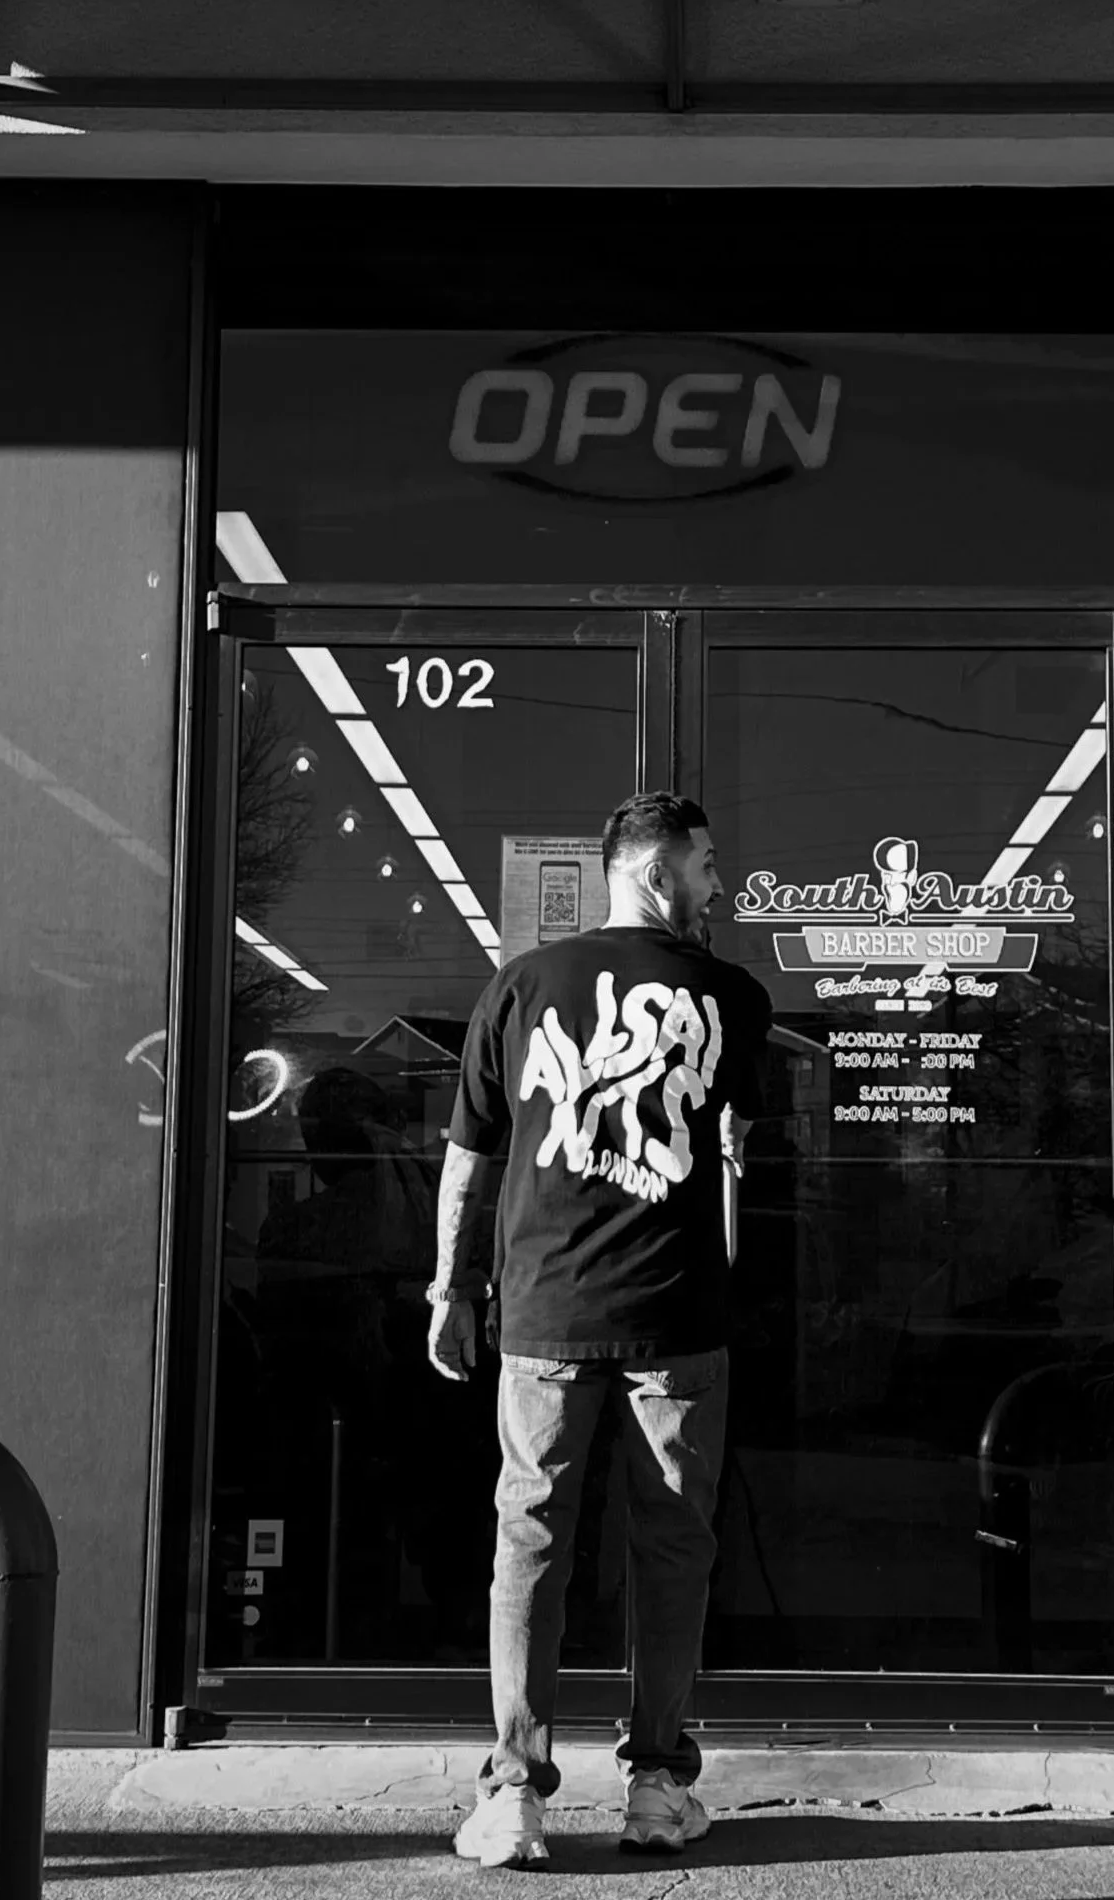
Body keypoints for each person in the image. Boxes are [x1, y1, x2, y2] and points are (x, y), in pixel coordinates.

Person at [428, 790, 772, 1869]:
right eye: (706, 865)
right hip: (678, 1319)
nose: (719, 886)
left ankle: (513, 1796)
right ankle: (658, 1788)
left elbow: (470, 1159)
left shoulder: (522, 985)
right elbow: (733, 1162)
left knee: (530, 1542)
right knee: (672, 1551)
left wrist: (450, 1288)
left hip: (545, 1314)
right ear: (657, 874)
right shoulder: (732, 999)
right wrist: (720, 1274)